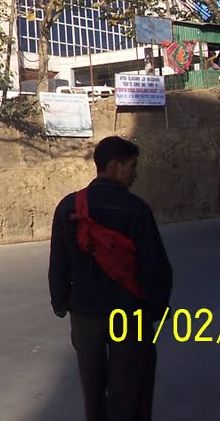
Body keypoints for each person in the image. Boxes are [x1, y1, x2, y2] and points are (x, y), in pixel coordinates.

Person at [48, 136, 172, 421]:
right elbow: (156, 266)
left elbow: (59, 264)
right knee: (130, 391)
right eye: (132, 166)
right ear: (116, 166)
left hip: (85, 316)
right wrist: (155, 309)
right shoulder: (136, 209)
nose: (135, 173)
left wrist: (62, 303)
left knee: (93, 391)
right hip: (130, 316)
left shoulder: (69, 207)